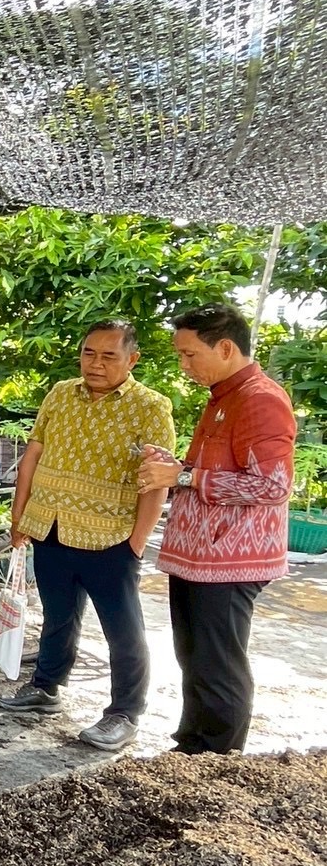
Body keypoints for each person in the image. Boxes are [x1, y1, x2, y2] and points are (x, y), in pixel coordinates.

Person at [0, 321, 176, 751]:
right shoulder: (60, 394)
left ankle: (124, 713)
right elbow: (33, 456)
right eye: (88, 353)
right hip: (51, 527)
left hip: (110, 539)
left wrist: (136, 543)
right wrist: (19, 514)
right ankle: (45, 688)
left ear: (131, 359)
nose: (95, 363)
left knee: (123, 630)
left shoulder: (151, 407)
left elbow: (156, 482)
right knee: (58, 616)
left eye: (108, 355)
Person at [137, 303, 296, 755]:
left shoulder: (260, 399)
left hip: (231, 560)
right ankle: (192, 750)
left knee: (217, 664)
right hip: (200, 555)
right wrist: (178, 468)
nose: (183, 365)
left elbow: (272, 486)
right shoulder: (224, 397)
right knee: (195, 659)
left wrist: (183, 477)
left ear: (225, 348)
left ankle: (218, 760)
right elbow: (213, 470)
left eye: (189, 355)